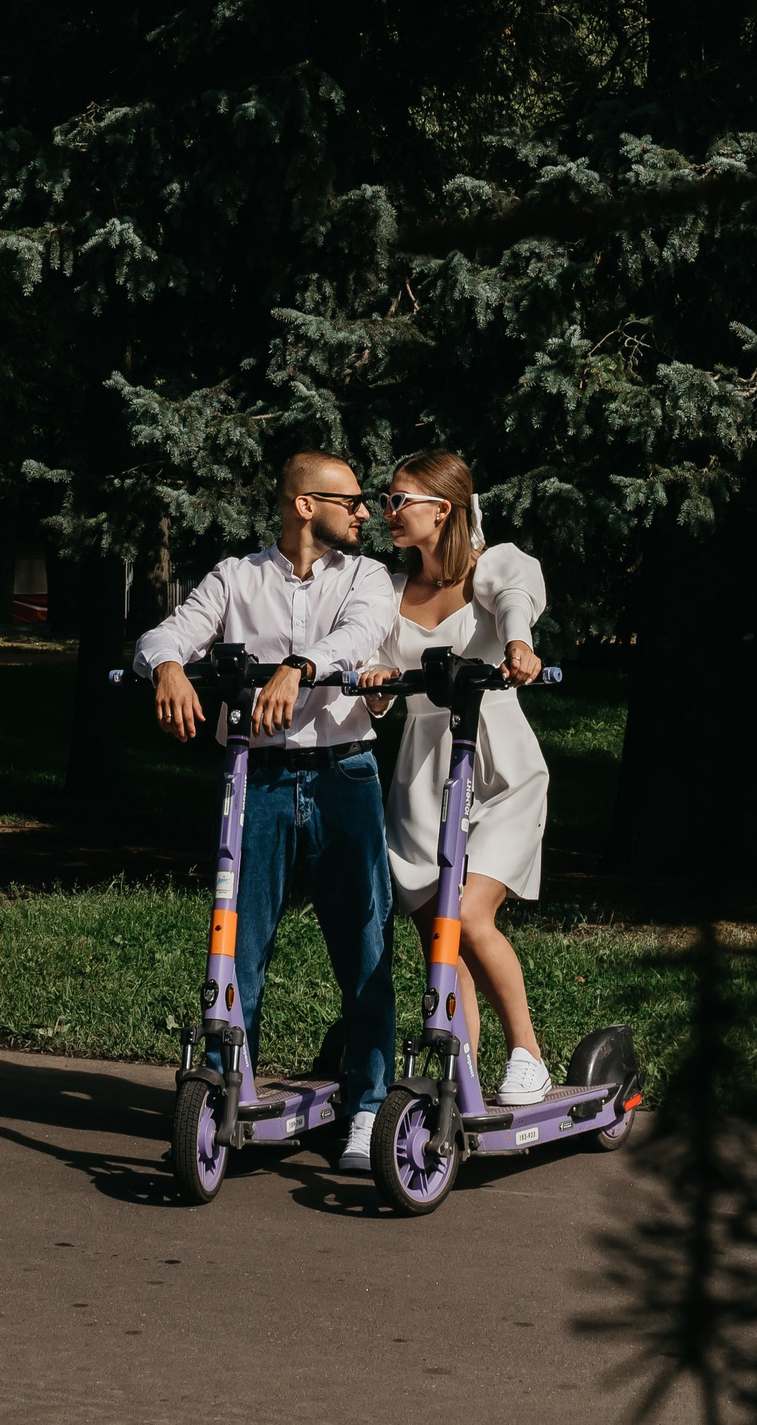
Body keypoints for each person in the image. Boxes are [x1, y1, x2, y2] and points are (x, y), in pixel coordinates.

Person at [133, 450, 401, 1173]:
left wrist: (300, 665)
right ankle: (226, 1092)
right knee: (236, 945)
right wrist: (165, 667)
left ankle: (370, 1106)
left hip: (344, 773)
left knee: (364, 945)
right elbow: (166, 634)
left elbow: (361, 635)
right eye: (352, 500)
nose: (366, 512)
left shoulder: (365, 577)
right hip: (257, 776)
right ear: (305, 504)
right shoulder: (235, 576)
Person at [364, 450, 556, 1106]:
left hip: (497, 759)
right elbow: (379, 692)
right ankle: (460, 1073)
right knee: (438, 935)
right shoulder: (388, 592)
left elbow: (514, 603)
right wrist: (375, 685)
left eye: (400, 500)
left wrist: (519, 647)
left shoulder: (494, 565)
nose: (387, 512)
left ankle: (528, 1052)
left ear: (442, 508)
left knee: (470, 916)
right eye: (386, 500)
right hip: (422, 772)